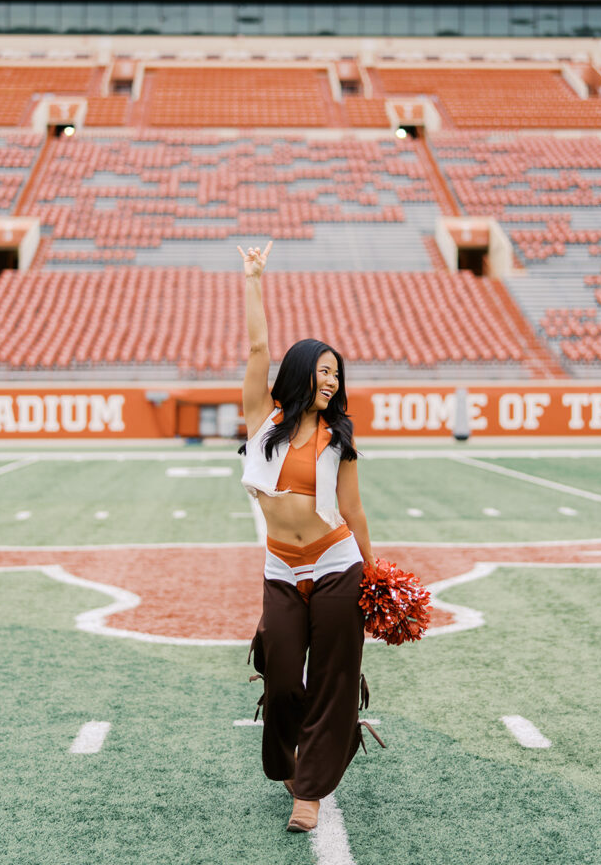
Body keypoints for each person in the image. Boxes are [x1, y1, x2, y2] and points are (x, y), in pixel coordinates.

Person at [237, 240, 378, 834]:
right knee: (284, 676)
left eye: (337, 374)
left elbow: (354, 510)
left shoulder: (339, 438)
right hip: (281, 568)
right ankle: (294, 761)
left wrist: (375, 573)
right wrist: (253, 279)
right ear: (300, 372)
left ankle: (311, 794)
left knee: (332, 680)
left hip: (336, 564)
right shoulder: (262, 420)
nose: (332, 381)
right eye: (323, 371)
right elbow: (256, 347)